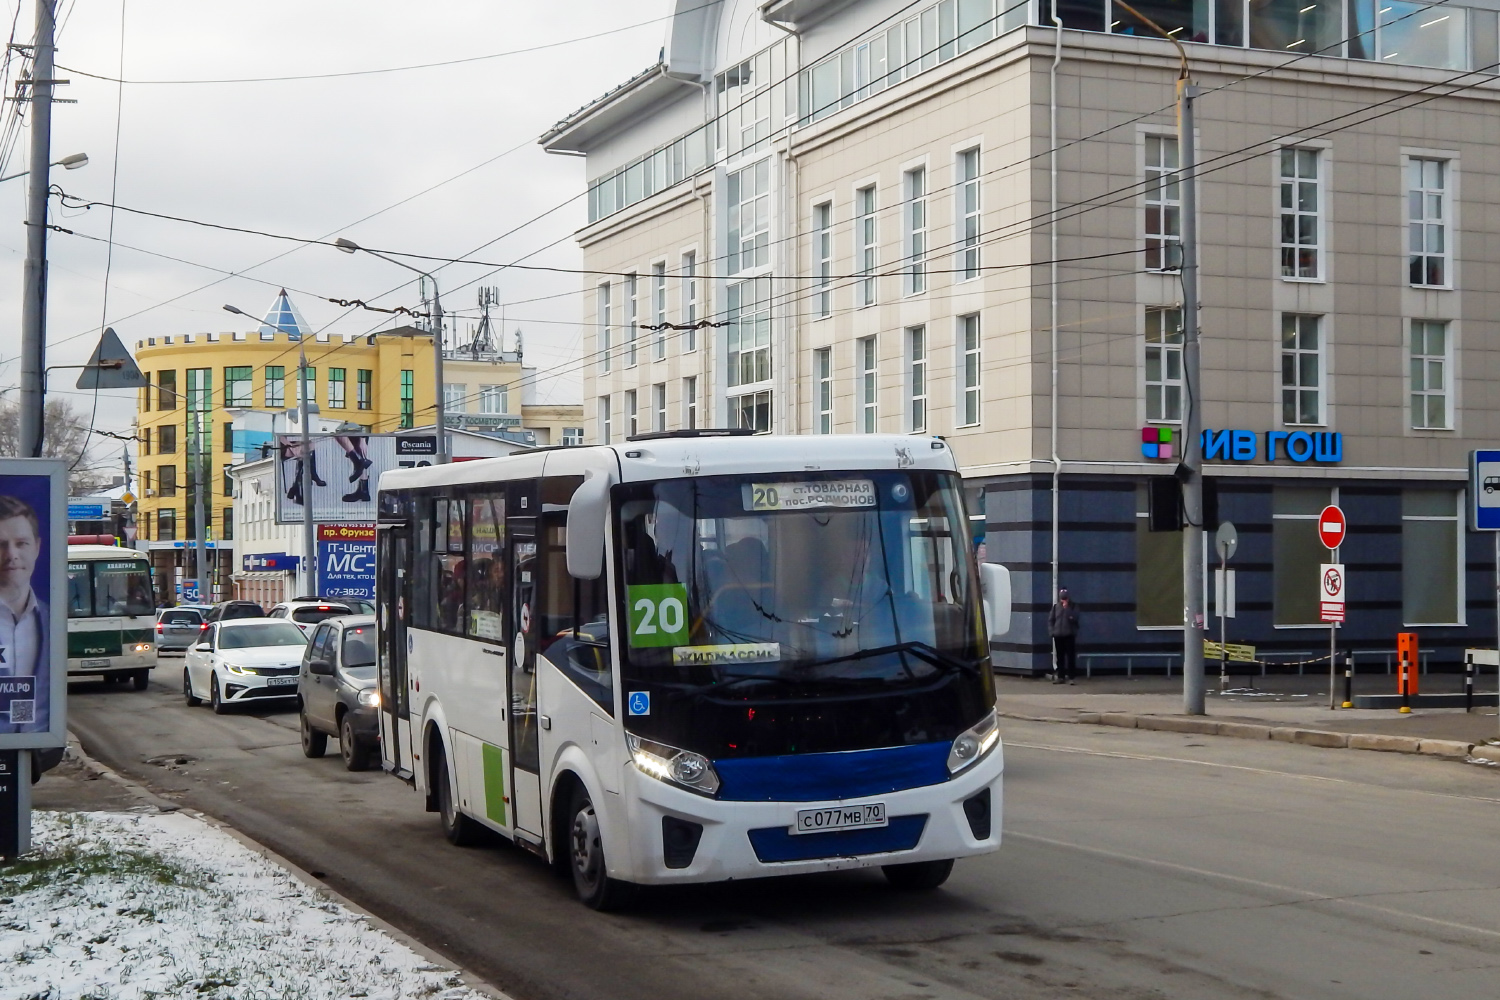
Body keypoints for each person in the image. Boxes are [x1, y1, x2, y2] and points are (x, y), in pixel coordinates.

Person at [0, 494, 49, 734]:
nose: (11, 555)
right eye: (0, 545)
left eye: (21, 543)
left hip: (36, 751)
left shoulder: (51, 621)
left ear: (37, 547)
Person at [1048, 586, 1081, 684]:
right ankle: (1061, 676)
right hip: (1058, 635)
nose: (1063, 600)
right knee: (1060, 656)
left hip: (1069, 634)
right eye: (1062, 599)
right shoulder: (1055, 607)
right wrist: (1052, 632)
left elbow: (1075, 618)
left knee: (1070, 656)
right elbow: (1051, 620)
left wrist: (1067, 609)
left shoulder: (1074, 606)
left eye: (1065, 598)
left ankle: (1071, 677)